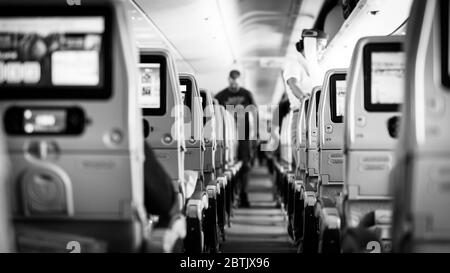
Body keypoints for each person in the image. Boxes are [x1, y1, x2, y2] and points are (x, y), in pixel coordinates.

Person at [215, 70, 256, 208]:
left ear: (240, 80)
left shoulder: (247, 95)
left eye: (236, 82)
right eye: (232, 82)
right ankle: (230, 196)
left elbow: (254, 116)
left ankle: (243, 195)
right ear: (228, 80)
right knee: (226, 167)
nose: (234, 84)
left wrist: (255, 136)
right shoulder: (220, 96)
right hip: (225, 137)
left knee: (245, 166)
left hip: (244, 135)